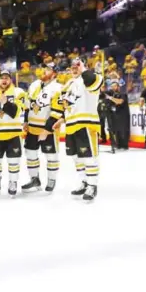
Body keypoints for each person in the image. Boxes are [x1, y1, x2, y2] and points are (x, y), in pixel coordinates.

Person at [55, 58, 103, 201]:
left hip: (85, 124)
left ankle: (92, 186)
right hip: (71, 125)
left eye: (77, 66)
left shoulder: (90, 78)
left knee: (89, 157)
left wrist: (83, 70)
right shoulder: (68, 84)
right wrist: (62, 119)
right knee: (77, 158)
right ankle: (84, 182)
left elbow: (93, 82)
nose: (74, 68)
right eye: (72, 67)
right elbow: (69, 105)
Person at [0, 70, 28, 196]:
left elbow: (16, 113)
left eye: (6, 78)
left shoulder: (19, 92)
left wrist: (5, 103)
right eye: (2, 78)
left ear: (10, 80)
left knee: (14, 161)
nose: (4, 80)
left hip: (13, 134)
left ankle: (13, 182)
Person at [21, 62, 63, 193]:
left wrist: (47, 129)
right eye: (44, 68)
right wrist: (26, 121)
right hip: (32, 128)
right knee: (30, 154)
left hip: (48, 130)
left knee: (51, 156)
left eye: (48, 69)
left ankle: (51, 180)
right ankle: (34, 179)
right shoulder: (34, 85)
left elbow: (57, 111)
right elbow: (28, 105)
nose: (44, 71)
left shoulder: (58, 88)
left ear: (54, 73)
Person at [103, 80, 130, 150]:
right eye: (112, 86)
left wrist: (110, 98)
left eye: (115, 86)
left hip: (123, 115)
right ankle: (118, 144)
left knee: (123, 130)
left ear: (118, 87)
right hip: (115, 115)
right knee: (116, 131)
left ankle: (124, 145)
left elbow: (119, 102)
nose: (113, 88)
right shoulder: (112, 95)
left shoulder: (123, 94)